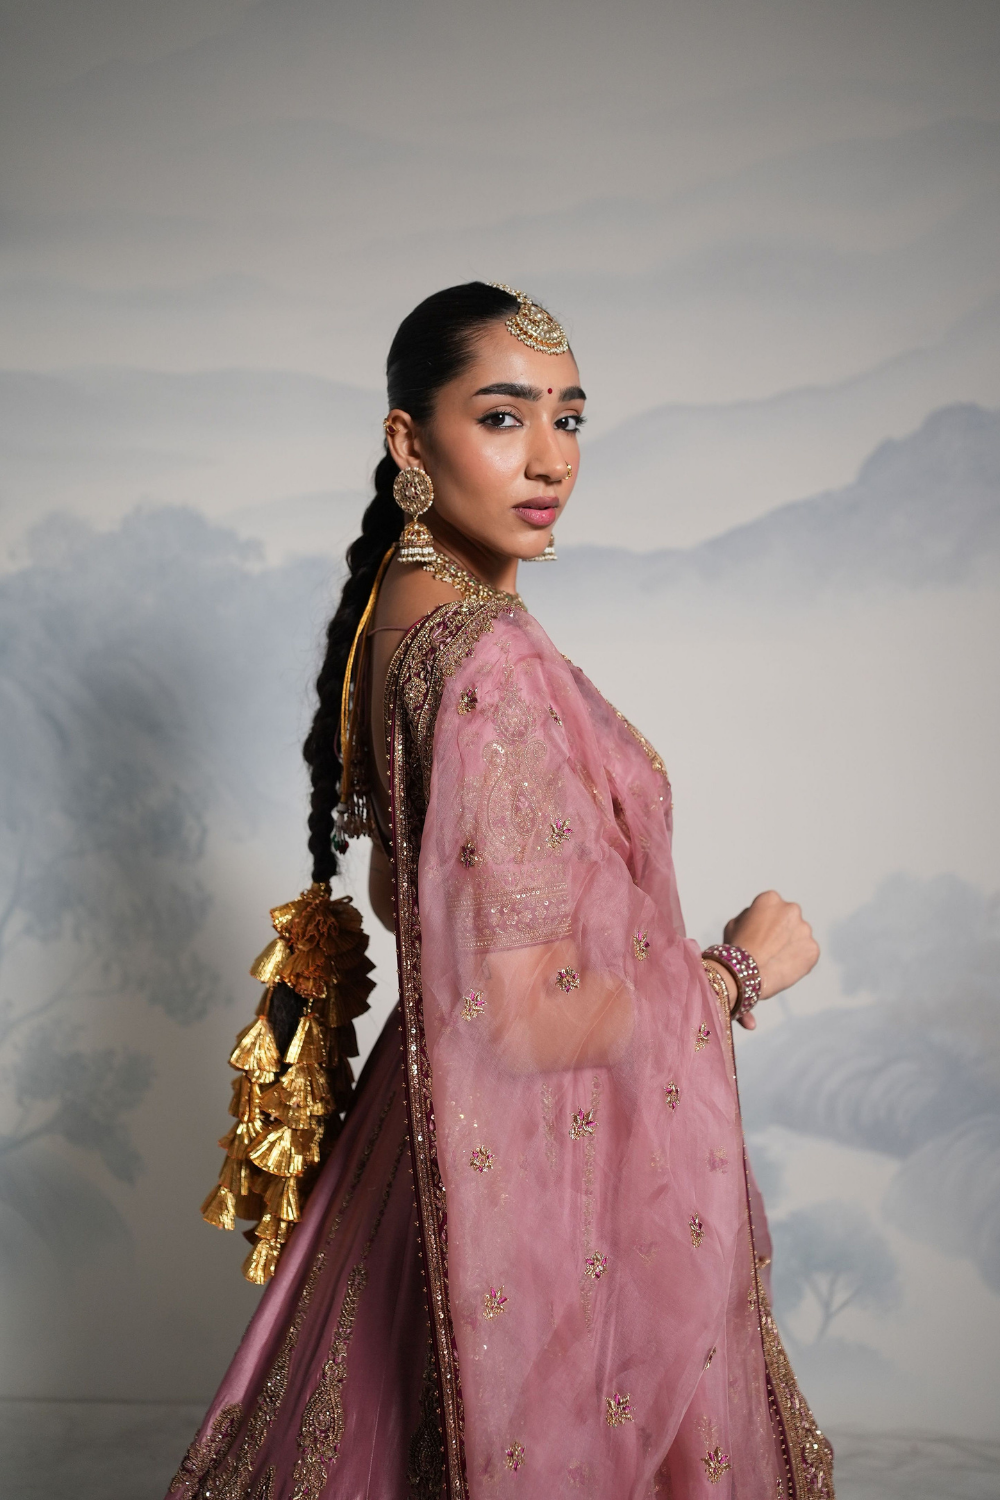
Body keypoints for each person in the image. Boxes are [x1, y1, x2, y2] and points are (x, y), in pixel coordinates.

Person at [168, 283, 834, 1500]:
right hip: (528, 1182)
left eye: (568, 419)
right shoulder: (492, 661)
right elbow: (522, 1018)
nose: (549, 459)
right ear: (408, 440)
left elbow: (405, 900)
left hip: (430, 1136)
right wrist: (737, 971)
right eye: (501, 416)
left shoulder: (400, 612)